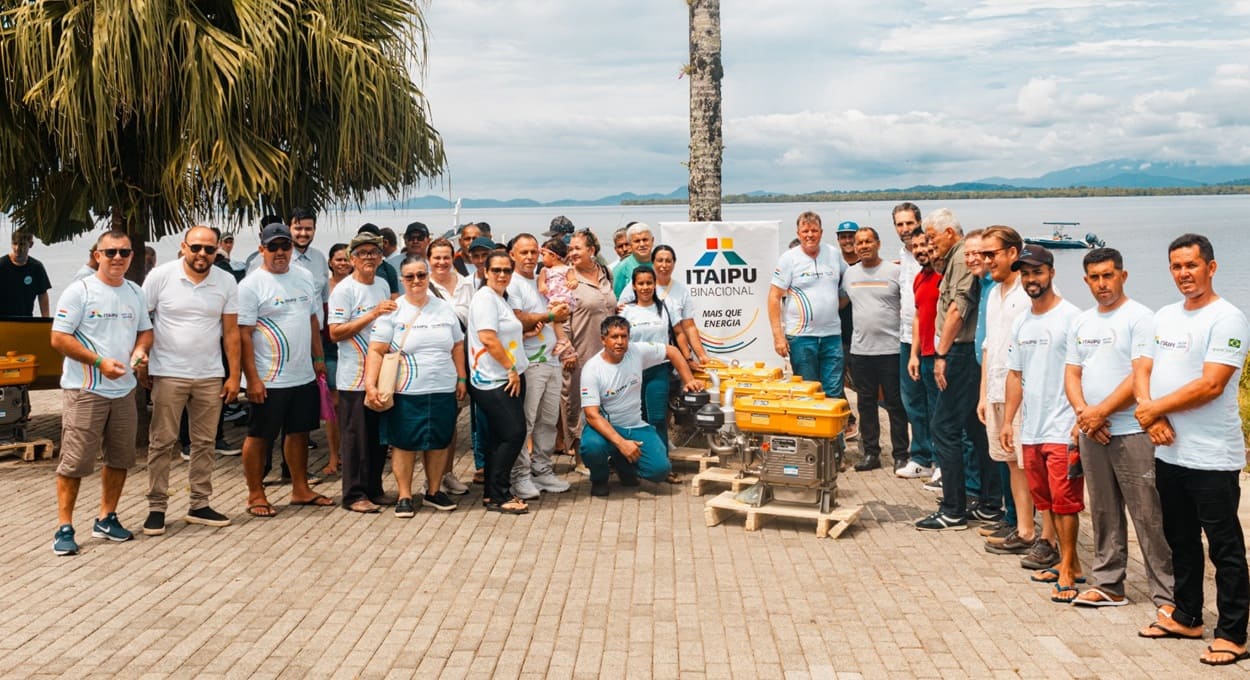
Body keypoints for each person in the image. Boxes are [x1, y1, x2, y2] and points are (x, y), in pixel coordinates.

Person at [1134, 233, 1250, 666]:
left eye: (1192, 265)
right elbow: (1142, 366)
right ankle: (1186, 616)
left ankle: (1234, 633)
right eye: (1176, 267)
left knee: (1224, 548)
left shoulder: (1227, 318)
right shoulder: (1164, 316)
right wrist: (1152, 413)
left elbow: (1211, 384)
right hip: (1169, 453)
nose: (1184, 274)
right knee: (1179, 540)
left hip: (1212, 456)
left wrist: (1150, 412)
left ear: (1211, 267)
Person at [1063, 247, 1174, 611]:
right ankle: (1110, 584)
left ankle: (1167, 593)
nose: (1101, 284)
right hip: (1092, 432)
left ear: (1123, 276)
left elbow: (1139, 374)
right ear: (1086, 281)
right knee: (1103, 512)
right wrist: (1084, 415)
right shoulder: (1081, 321)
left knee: (1148, 514)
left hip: (1132, 431)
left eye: (1108, 275)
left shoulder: (1141, 318)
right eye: (1094, 277)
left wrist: (1100, 413)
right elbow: (1073, 373)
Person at [49, 230, 153, 555]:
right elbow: (59, 339)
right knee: (75, 462)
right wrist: (98, 361)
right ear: (97, 255)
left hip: (123, 391)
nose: (118, 258)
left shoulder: (135, 292)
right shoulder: (79, 291)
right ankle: (64, 527)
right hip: (86, 389)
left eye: (124, 252)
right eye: (110, 253)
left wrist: (139, 352)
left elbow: (145, 332)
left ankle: (106, 518)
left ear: (132, 256)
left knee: (121, 458)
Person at [139, 225, 240, 536]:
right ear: (184, 247)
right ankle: (156, 507)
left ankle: (199, 503)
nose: (202, 254)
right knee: (162, 442)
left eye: (209, 249)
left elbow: (232, 332)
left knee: (205, 443)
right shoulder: (161, 276)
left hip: (210, 374)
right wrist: (142, 364)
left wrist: (235, 375)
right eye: (196, 248)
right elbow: (142, 321)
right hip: (168, 373)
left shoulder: (226, 280)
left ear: (217, 251)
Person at [1000, 245, 1083, 601]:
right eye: (1025, 274)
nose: (1030, 280)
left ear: (1050, 272)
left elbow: (1085, 372)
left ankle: (1066, 567)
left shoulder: (1072, 317)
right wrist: (1008, 421)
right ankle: (1072, 562)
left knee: (1066, 501)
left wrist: (1082, 416)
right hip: (1032, 427)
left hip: (1063, 425)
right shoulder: (1022, 322)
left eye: (1036, 272)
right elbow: (1015, 375)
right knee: (1045, 499)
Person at [237, 223, 333, 517]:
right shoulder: (251, 285)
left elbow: (312, 321)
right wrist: (251, 379)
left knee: (299, 432)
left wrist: (319, 360)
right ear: (261, 249)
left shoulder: (304, 277)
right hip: (268, 377)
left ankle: (300, 489)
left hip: (303, 374)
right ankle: (255, 494)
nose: (280, 252)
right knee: (260, 435)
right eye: (273, 247)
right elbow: (243, 335)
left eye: (285, 246)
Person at [915, 208, 1001, 531]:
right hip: (964, 352)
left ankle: (954, 508)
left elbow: (956, 311)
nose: (928, 242)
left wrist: (941, 354)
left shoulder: (961, 261)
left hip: (960, 353)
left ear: (950, 232)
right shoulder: (952, 260)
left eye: (932, 236)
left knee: (944, 427)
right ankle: (989, 500)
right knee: (974, 429)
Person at [366, 256, 467, 517]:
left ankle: (434, 491)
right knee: (404, 444)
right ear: (402, 279)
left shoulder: (444, 309)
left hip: (442, 387)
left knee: (439, 442)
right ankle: (405, 495)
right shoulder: (393, 309)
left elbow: (457, 345)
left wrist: (461, 377)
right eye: (410, 276)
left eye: (421, 275)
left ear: (428, 276)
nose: (417, 281)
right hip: (406, 390)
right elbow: (376, 351)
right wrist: (370, 385)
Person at [978, 226, 1051, 560]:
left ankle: (1048, 537)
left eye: (991, 254)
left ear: (1012, 253)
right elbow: (990, 346)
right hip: (995, 387)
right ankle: (1024, 529)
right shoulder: (995, 293)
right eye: (983, 254)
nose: (985, 260)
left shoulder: (1029, 292)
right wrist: (983, 395)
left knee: (1032, 465)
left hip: (1022, 392)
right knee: (1012, 463)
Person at [580, 315, 702, 497]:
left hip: (635, 426)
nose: (620, 342)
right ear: (603, 339)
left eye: (624, 336)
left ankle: (624, 466)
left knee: (660, 470)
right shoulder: (592, 369)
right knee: (592, 447)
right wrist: (621, 443)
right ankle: (599, 479)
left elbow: (672, 352)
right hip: (605, 427)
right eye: (614, 337)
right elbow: (591, 415)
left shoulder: (636, 351)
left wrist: (689, 380)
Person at [327, 232, 398, 513]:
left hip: (380, 373)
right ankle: (353, 494)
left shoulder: (381, 283)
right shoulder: (345, 290)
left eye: (374, 252)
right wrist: (372, 314)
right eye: (363, 253)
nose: (369, 257)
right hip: (353, 376)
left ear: (381, 258)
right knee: (355, 438)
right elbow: (335, 332)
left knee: (377, 436)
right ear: (352, 258)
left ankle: (374, 488)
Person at [506, 234, 573, 499]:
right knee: (527, 422)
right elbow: (518, 319)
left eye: (534, 252)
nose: (530, 257)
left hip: (552, 359)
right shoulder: (512, 284)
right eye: (524, 252)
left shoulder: (540, 280)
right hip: (529, 363)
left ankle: (542, 469)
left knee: (547, 421)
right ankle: (520, 476)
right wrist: (550, 316)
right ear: (513, 255)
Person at [468, 250, 531, 514]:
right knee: (514, 432)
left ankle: (491, 492)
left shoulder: (500, 298)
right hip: (494, 378)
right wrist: (511, 368)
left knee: (499, 435)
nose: (502, 275)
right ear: (485, 271)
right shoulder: (485, 299)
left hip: (507, 375)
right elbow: (488, 338)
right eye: (496, 270)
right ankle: (499, 493)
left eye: (507, 270)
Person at [843, 227, 909, 472]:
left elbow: (909, 306)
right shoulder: (849, 275)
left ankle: (901, 454)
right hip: (861, 351)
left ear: (878, 243)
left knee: (895, 404)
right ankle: (871, 454)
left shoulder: (895, 272)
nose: (863, 246)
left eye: (868, 241)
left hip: (891, 350)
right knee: (865, 404)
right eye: (859, 242)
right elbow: (840, 302)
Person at [768, 211, 849, 404]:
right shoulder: (789, 258)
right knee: (807, 391)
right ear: (798, 233)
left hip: (831, 336)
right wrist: (778, 337)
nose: (810, 235)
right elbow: (774, 297)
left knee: (834, 390)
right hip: (801, 337)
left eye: (814, 230)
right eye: (805, 231)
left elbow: (847, 286)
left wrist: (829, 309)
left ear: (821, 232)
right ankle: (811, 434)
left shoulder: (833, 254)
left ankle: (834, 434)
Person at [560, 230, 619, 473]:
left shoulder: (606, 273)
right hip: (580, 351)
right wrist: (567, 350)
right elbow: (562, 318)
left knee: (607, 400)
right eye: (570, 249)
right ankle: (579, 457)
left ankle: (606, 452)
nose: (572, 253)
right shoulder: (566, 278)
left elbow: (610, 306)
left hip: (607, 352)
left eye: (577, 248)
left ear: (591, 251)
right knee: (576, 400)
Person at [620, 266, 686, 480]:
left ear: (654, 284)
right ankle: (634, 465)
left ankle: (664, 465)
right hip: (632, 371)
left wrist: (688, 359)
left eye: (649, 283)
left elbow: (679, 333)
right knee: (635, 419)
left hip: (659, 369)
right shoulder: (625, 311)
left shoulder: (666, 307)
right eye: (641, 283)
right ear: (634, 286)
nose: (645, 287)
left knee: (657, 418)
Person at [426, 238, 475, 495]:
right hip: (435, 361)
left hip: (464, 358)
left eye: (446, 257)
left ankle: (446, 473)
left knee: (453, 420)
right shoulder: (424, 286)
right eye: (437, 258)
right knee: (438, 420)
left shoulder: (468, 285)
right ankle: (431, 478)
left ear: (453, 257)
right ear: (429, 259)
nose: (442, 262)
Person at [619, 245, 711, 369]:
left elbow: (688, 327)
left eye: (668, 261)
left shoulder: (681, 290)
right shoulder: (636, 285)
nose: (664, 265)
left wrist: (701, 356)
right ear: (652, 262)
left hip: (667, 360)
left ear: (674, 263)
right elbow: (621, 312)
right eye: (660, 260)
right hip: (635, 361)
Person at [894, 203, 934, 479]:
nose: (905, 229)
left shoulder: (929, 252)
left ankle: (942, 461)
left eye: (909, 223)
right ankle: (921, 457)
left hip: (931, 340)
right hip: (906, 338)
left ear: (919, 221)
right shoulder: (901, 256)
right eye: (900, 224)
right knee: (912, 402)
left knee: (935, 403)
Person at [902, 231, 940, 480]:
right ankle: (924, 460)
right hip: (923, 353)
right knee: (921, 409)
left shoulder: (943, 276)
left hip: (940, 354)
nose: (919, 250)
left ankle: (942, 465)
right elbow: (918, 317)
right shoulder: (919, 277)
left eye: (924, 244)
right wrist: (913, 354)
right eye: (914, 246)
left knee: (940, 413)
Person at [320, 242, 352, 475]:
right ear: (330, 262)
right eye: (338, 259)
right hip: (329, 349)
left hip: (352, 350)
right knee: (334, 404)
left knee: (351, 404)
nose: (342, 263)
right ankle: (334, 455)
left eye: (346, 259)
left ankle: (350, 452)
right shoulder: (324, 287)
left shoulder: (357, 286)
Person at [538, 237, 577, 359]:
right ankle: (563, 342)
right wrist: (543, 286)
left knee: (555, 318)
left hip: (563, 299)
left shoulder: (567, 269)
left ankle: (562, 341)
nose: (542, 258)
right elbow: (541, 284)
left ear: (553, 256)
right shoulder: (545, 270)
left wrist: (573, 283)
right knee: (554, 320)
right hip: (553, 299)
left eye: (543, 255)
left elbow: (574, 281)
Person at [1, 230, 51, 317]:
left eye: (22, 244)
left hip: (26, 320)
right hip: (3, 320)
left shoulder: (36, 267)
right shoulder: (2, 265)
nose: (17, 248)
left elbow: (42, 294)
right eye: (14, 243)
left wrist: (46, 320)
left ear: (30, 244)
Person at [612, 222, 655, 297]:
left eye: (645, 240)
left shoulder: (660, 264)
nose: (642, 244)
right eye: (637, 241)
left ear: (652, 241)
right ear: (630, 244)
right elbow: (615, 298)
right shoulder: (621, 269)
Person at [357, 224, 400, 296]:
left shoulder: (388, 270)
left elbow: (394, 298)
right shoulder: (353, 267)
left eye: (371, 240)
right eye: (363, 240)